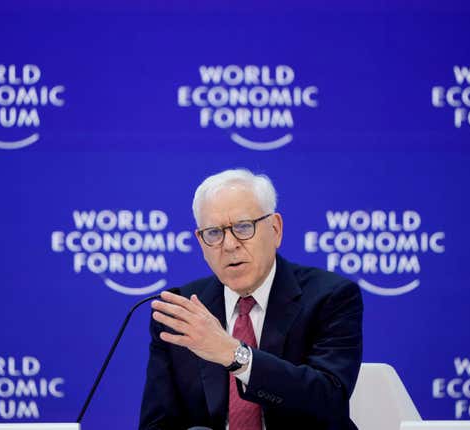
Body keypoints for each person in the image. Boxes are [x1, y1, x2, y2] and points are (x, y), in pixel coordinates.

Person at [140, 168, 363, 430]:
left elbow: (330, 399)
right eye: (214, 233)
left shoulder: (330, 297)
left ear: (276, 229)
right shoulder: (183, 313)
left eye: (243, 227)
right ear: (201, 243)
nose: (230, 244)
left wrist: (234, 355)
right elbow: (156, 424)